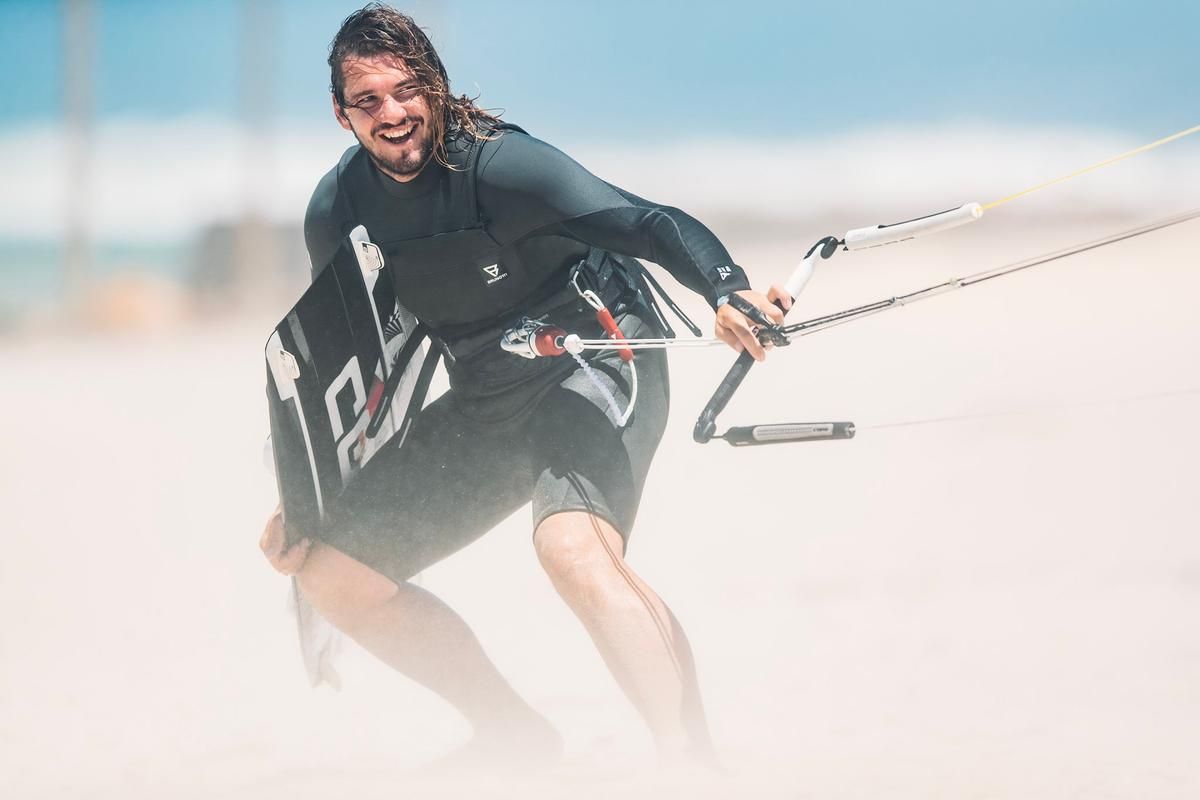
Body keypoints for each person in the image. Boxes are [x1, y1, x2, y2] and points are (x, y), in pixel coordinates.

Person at [258, 2, 790, 765]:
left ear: (434, 86)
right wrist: (305, 497)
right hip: (488, 394)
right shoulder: (339, 211)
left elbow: (646, 220)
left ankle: (692, 764)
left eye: (405, 90)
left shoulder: (499, 168)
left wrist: (727, 289)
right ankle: (513, 734)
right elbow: (347, 364)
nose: (393, 114)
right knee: (334, 576)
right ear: (341, 114)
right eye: (368, 100)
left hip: (598, 358)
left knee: (572, 550)